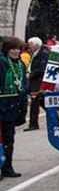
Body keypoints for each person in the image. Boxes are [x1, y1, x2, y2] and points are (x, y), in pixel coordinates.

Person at [0, 37, 28, 181]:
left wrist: (23, 109)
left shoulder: (21, 65)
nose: (16, 51)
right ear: (7, 50)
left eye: (18, 48)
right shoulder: (2, 62)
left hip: (14, 105)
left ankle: (7, 167)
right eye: (13, 48)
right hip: (2, 104)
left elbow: (24, 85)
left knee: (9, 139)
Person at [24, 37, 48, 132]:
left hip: (38, 82)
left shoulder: (43, 54)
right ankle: (33, 124)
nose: (29, 46)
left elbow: (42, 69)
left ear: (36, 45)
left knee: (36, 103)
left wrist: (31, 74)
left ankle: (33, 124)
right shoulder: (34, 54)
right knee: (41, 103)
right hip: (34, 83)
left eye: (30, 44)